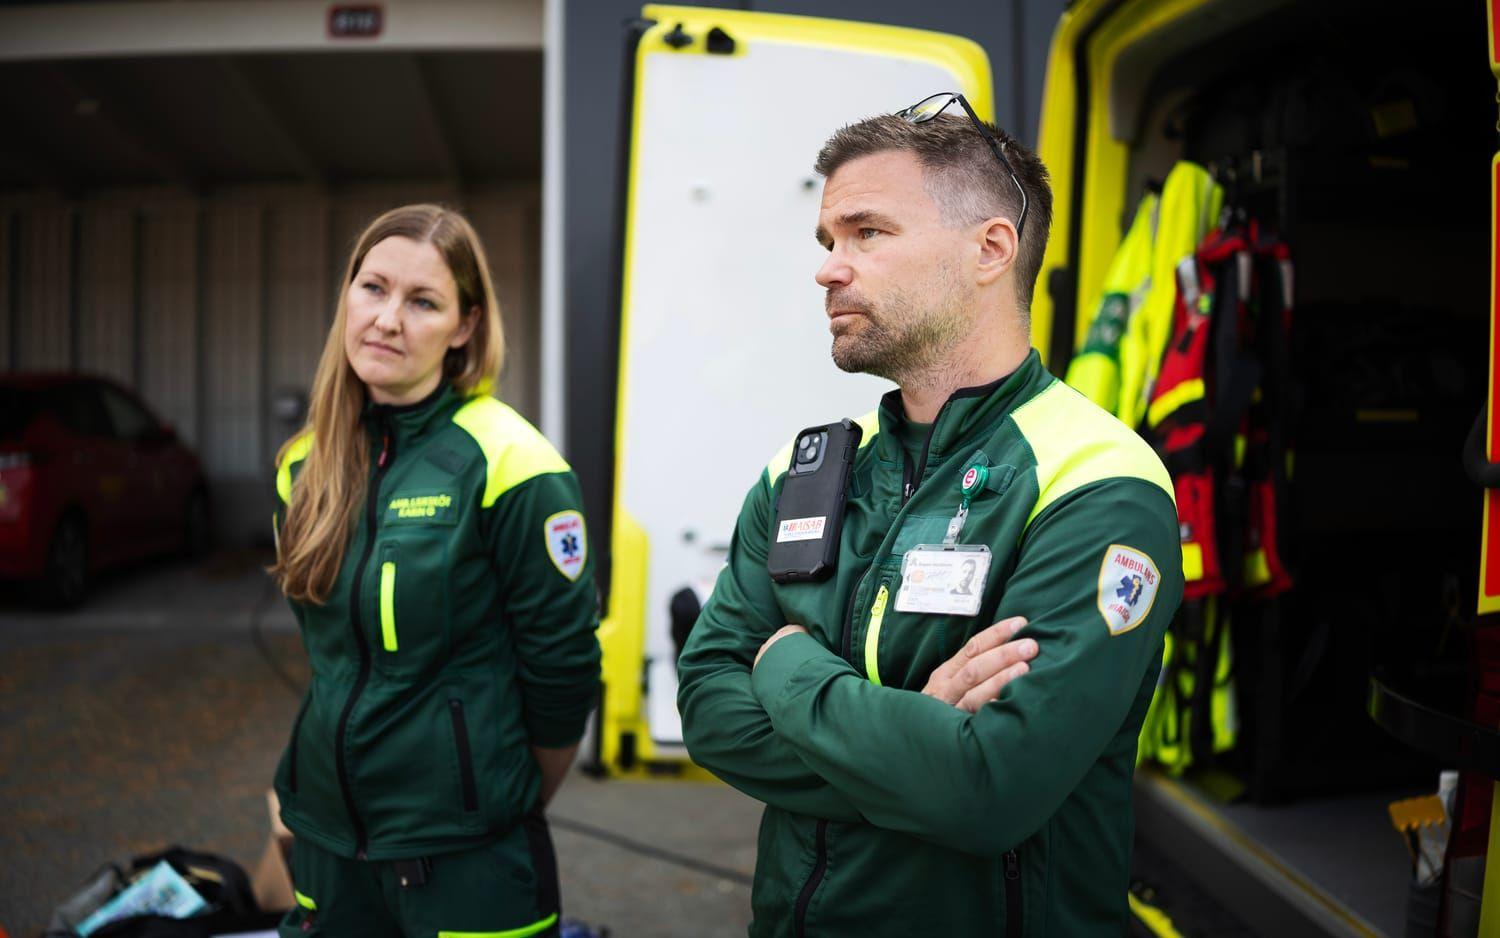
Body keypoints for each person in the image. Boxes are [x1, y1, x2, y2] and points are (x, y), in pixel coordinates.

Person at [676, 94, 1183, 937]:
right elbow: (710, 710)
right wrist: (917, 749)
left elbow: (988, 792)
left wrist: (788, 667)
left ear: (991, 249)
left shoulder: (1097, 482)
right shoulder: (802, 475)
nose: (829, 268)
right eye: (828, 241)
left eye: (867, 233)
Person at [269, 204, 600, 938]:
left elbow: (564, 672)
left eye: (422, 302)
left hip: (468, 860)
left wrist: (495, 798)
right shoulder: (302, 464)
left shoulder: (512, 463)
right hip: (328, 848)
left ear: (464, 326)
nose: (388, 319)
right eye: (373, 288)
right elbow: (330, 660)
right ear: (346, 296)